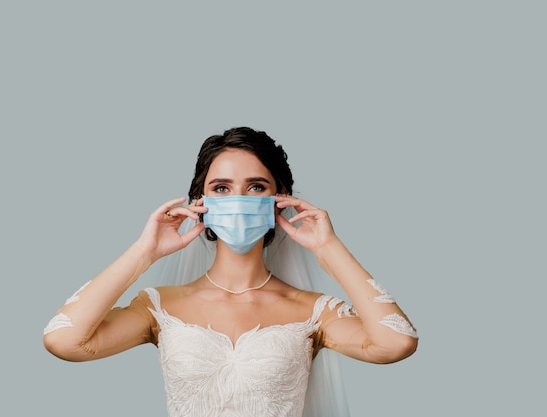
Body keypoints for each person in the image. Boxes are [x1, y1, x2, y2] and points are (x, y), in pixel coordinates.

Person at [43, 127, 418, 417]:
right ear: (200, 203)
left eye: (256, 186)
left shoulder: (313, 311)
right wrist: (144, 253)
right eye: (221, 188)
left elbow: (396, 343)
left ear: (280, 198)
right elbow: (65, 341)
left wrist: (329, 248)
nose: (238, 199)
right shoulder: (160, 306)